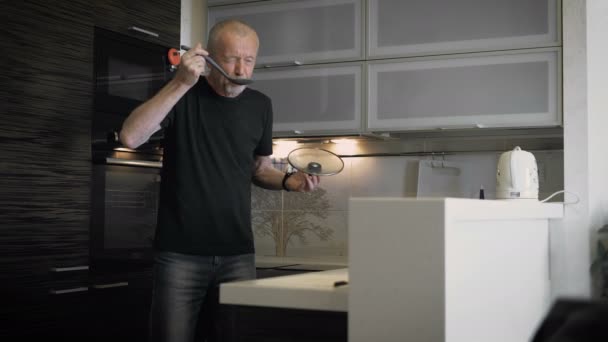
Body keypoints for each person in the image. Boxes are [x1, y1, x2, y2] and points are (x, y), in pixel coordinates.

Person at [119, 19, 320, 342]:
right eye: (231, 59)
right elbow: (130, 136)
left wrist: (288, 182)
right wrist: (180, 83)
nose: (241, 69)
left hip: (238, 255)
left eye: (249, 59)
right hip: (179, 255)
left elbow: (259, 169)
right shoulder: (181, 94)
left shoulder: (260, 105)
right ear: (209, 57)